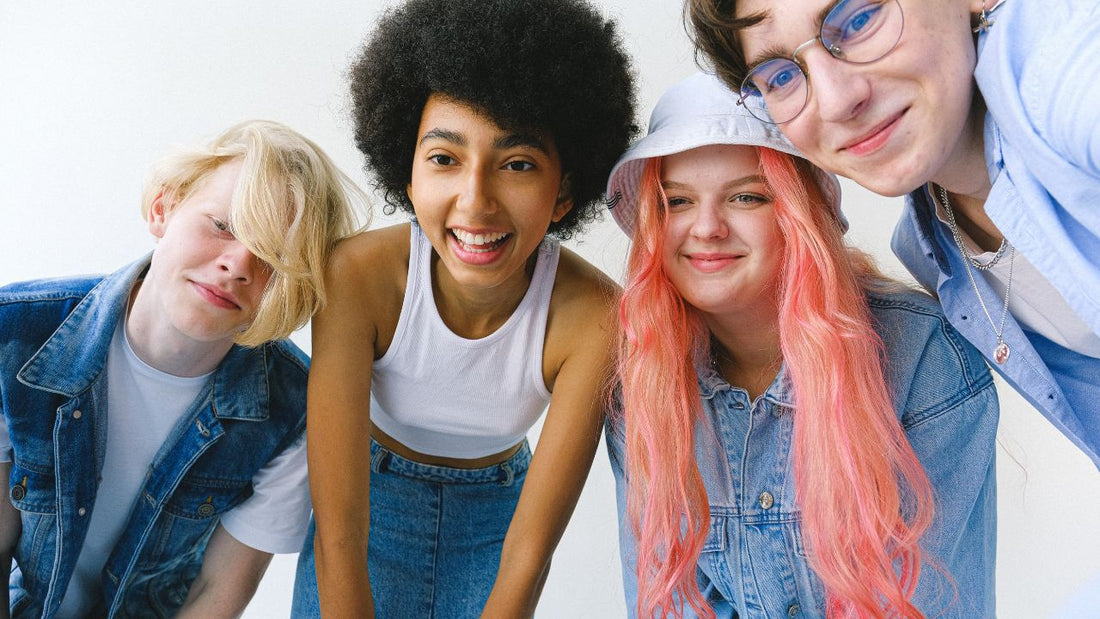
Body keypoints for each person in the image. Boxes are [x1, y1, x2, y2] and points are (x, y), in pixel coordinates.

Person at [604, 73, 998, 618]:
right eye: (677, 202)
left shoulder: (921, 355)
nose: (707, 227)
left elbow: (919, 600)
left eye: (746, 197)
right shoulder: (643, 380)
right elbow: (667, 601)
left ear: (798, 215)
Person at [289, 0, 636, 616]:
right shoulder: (356, 276)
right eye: (444, 159)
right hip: (370, 505)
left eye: (518, 164)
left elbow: (530, 554)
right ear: (408, 175)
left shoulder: (595, 316)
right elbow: (340, 532)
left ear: (564, 193)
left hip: (496, 521)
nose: (475, 203)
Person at [686, 0, 1100, 468]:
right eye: (781, 77)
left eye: (860, 20)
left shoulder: (1062, 75)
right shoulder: (931, 246)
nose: (837, 100)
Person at [0, 120, 363, 618]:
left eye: (275, 255)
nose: (238, 264)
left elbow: (216, 594)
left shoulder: (295, 410)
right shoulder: (13, 333)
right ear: (162, 208)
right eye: (223, 226)